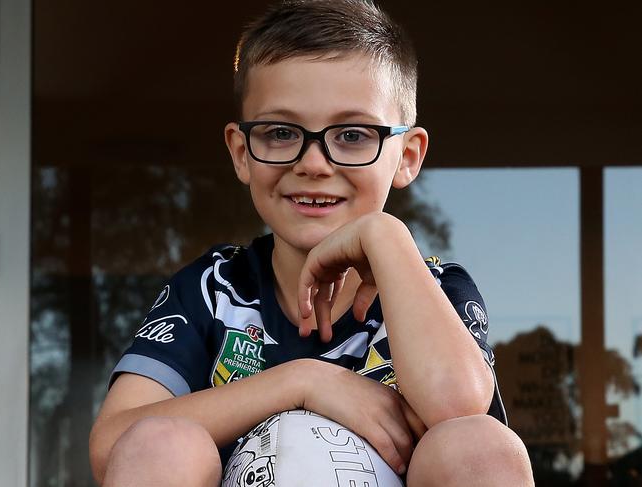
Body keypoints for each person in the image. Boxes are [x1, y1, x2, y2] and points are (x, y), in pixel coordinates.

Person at [89, 1, 534, 485]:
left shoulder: (437, 289)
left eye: (353, 134)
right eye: (281, 132)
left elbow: (460, 409)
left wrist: (387, 237)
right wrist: (301, 381)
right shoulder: (213, 290)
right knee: (159, 442)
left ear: (407, 156)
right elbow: (113, 445)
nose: (315, 164)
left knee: (480, 445)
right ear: (242, 153)